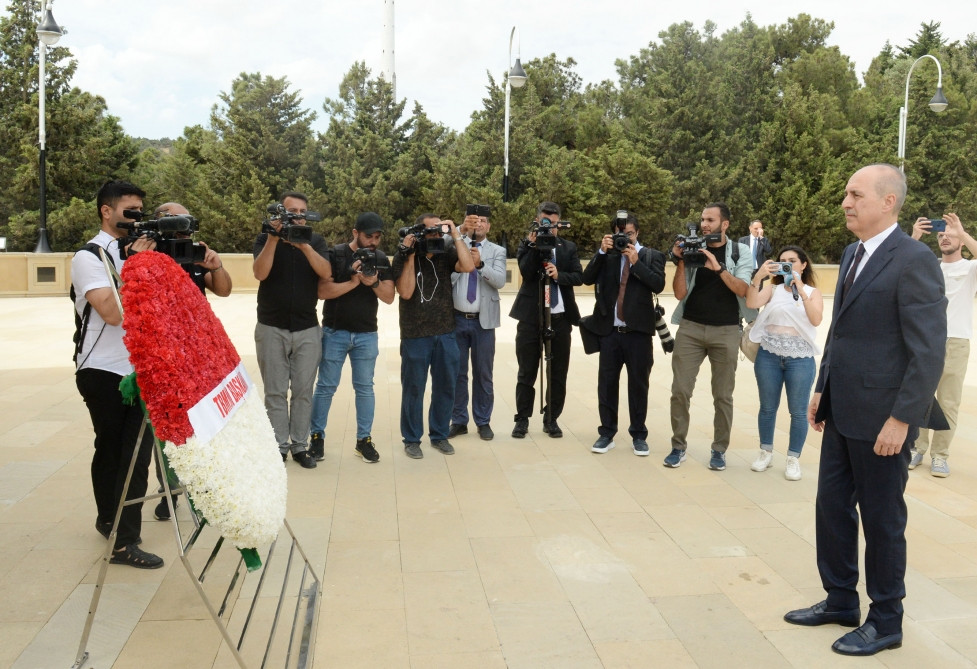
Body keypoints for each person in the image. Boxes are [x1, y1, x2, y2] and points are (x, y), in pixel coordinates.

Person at [784, 164, 947, 656]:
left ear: (888, 201)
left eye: (855, 194)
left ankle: (886, 619)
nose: (845, 203)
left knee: (881, 519)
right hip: (841, 409)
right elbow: (840, 331)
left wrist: (903, 419)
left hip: (883, 418)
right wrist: (821, 387)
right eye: (846, 195)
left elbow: (928, 351)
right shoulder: (853, 252)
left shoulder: (914, 259)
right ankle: (839, 599)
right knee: (831, 508)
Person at [71, 180, 163, 569]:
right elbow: (111, 313)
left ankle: (123, 536)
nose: (136, 219)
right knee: (110, 449)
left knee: (136, 455)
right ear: (106, 211)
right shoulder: (88, 256)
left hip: (137, 369)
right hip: (102, 370)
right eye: (130, 211)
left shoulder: (139, 252)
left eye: (141, 212)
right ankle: (111, 522)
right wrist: (137, 266)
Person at [151, 202, 232, 520]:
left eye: (186, 221)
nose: (182, 228)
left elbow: (223, 290)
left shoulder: (197, 251)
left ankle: (206, 490)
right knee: (167, 430)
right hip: (163, 356)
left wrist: (216, 265)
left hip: (199, 357)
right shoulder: (150, 255)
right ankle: (168, 490)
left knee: (203, 425)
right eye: (175, 220)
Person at [665, 202, 754, 471]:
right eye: (703, 219)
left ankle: (719, 450)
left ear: (724, 224)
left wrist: (716, 266)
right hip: (690, 328)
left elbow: (742, 289)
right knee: (680, 391)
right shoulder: (693, 248)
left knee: (723, 395)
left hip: (726, 330)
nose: (705, 224)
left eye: (711, 220)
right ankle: (678, 446)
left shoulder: (740, 251)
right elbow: (679, 294)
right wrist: (681, 261)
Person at [253, 191, 331, 469]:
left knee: (302, 390)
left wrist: (305, 246)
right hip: (271, 325)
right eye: (291, 211)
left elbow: (325, 273)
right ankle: (277, 446)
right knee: (274, 392)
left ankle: (300, 446)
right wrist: (275, 238)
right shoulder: (265, 238)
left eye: (301, 211)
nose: (297, 215)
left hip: (307, 327)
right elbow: (260, 273)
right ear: (280, 213)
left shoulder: (317, 241)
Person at [308, 212, 394, 464]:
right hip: (335, 332)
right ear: (355, 233)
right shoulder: (336, 254)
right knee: (325, 387)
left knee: (365, 388)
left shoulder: (379, 259)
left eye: (377, 237)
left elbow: (389, 297)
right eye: (369, 236)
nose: (373, 242)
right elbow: (322, 291)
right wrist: (355, 281)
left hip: (367, 334)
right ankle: (316, 437)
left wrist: (374, 282)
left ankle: (363, 440)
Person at [581, 212, 666, 455]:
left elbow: (658, 284)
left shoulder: (651, 256)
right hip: (610, 332)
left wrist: (636, 262)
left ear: (637, 233)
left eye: (629, 234)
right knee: (607, 384)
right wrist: (600, 252)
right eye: (620, 234)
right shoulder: (607, 257)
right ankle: (606, 433)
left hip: (638, 332)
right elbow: (586, 278)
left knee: (638, 385)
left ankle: (639, 434)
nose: (625, 239)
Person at [392, 213, 475, 459]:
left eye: (440, 231)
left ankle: (439, 435)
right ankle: (411, 439)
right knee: (414, 389)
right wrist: (409, 255)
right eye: (431, 231)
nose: (436, 236)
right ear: (419, 232)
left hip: (445, 332)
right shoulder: (404, 254)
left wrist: (455, 233)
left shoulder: (446, 252)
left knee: (446, 386)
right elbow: (405, 292)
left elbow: (469, 266)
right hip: (415, 334)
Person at [744, 246, 823, 481]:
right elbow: (751, 303)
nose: (786, 264)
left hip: (800, 358)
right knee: (767, 408)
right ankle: (765, 452)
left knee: (798, 411)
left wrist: (799, 288)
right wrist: (758, 277)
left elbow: (816, 319)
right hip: (769, 354)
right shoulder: (772, 289)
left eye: (792, 261)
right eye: (782, 261)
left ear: (803, 265)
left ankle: (793, 458)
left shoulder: (811, 291)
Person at [908, 212, 977, 477]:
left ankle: (940, 455)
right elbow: (897, 262)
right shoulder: (928, 264)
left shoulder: (970, 269)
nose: (944, 238)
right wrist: (914, 236)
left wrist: (961, 231)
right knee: (921, 396)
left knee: (948, 402)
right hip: (926, 339)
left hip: (956, 341)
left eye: (949, 235)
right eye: (940, 235)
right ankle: (917, 448)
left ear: (959, 240)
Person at [509, 202, 583, 439]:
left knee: (558, 371)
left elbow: (579, 277)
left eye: (552, 224)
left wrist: (559, 274)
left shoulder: (568, 248)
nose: (548, 228)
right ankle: (522, 419)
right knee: (526, 370)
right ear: (537, 221)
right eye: (544, 223)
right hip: (531, 317)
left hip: (560, 318)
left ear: (559, 224)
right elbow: (526, 272)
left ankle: (551, 418)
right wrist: (532, 246)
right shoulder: (527, 244)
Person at [448, 209, 507, 441]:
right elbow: (446, 276)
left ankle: (483, 421)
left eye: (483, 221)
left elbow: (500, 281)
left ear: (489, 227)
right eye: (474, 220)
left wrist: (480, 264)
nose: (478, 224)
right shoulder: (454, 245)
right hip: (457, 319)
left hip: (484, 322)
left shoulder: (497, 251)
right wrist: (461, 260)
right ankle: (459, 421)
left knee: (483, 373)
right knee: (457, 373)